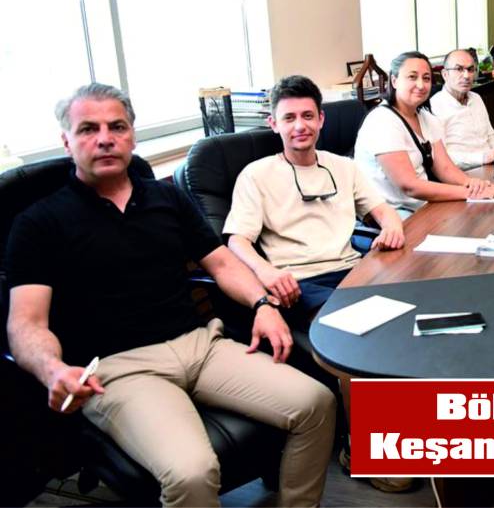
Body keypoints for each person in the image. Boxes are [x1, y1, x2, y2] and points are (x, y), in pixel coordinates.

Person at [5, 83, 335, 507]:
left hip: (201, 345)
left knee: (316, 403)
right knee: (192, 472)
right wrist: (52, 369)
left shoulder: (166, 197)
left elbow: (223, 263)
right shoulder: (39, 223)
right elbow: (26, 323)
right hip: (119, 370)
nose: (105, 138)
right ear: (66, 141)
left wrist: (263, 304)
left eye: (117, 127)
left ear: (132, 136)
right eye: (88, 129)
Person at [224, 75, 404, 328]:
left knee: (411, 300)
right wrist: (265, 271)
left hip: (353, 270)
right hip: (299, 284)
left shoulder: (344, 166)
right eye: (289, 118)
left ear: (321, 119)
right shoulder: (255, 175)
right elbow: (237, 240)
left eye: (307, 116)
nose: (300, 126)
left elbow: (382, 210)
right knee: (365, 326)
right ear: (273, 124)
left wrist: (392, 227)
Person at [354, 51, 494, 216]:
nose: (421, 85)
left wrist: (474, 184)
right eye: (412, 77)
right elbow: (409, 186)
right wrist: (469, 193)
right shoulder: (382, 121)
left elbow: (445, 168)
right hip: (390, 213)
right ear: (394, 81)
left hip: (421, 205)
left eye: (426, 78)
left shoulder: (426, 117)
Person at [430, 48, 494, 169]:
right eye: (459, 69)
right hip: (464, 173)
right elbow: (440, 157)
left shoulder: (476, 98)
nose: (466, 76)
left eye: (470, 69)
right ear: (445, 74)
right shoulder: (435, 106)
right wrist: (482, 158)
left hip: (491, 165)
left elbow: (489, 138)